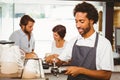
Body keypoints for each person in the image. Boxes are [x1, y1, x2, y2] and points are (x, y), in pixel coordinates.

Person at [46, 2, 114, 80]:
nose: (77, 25)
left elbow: (106, 75)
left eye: (81, 21)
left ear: (91, 21)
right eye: (76, 21)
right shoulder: (73, 41)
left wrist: (81, 71)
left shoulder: (103, 44)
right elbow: (60, 61)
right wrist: (54, 60)